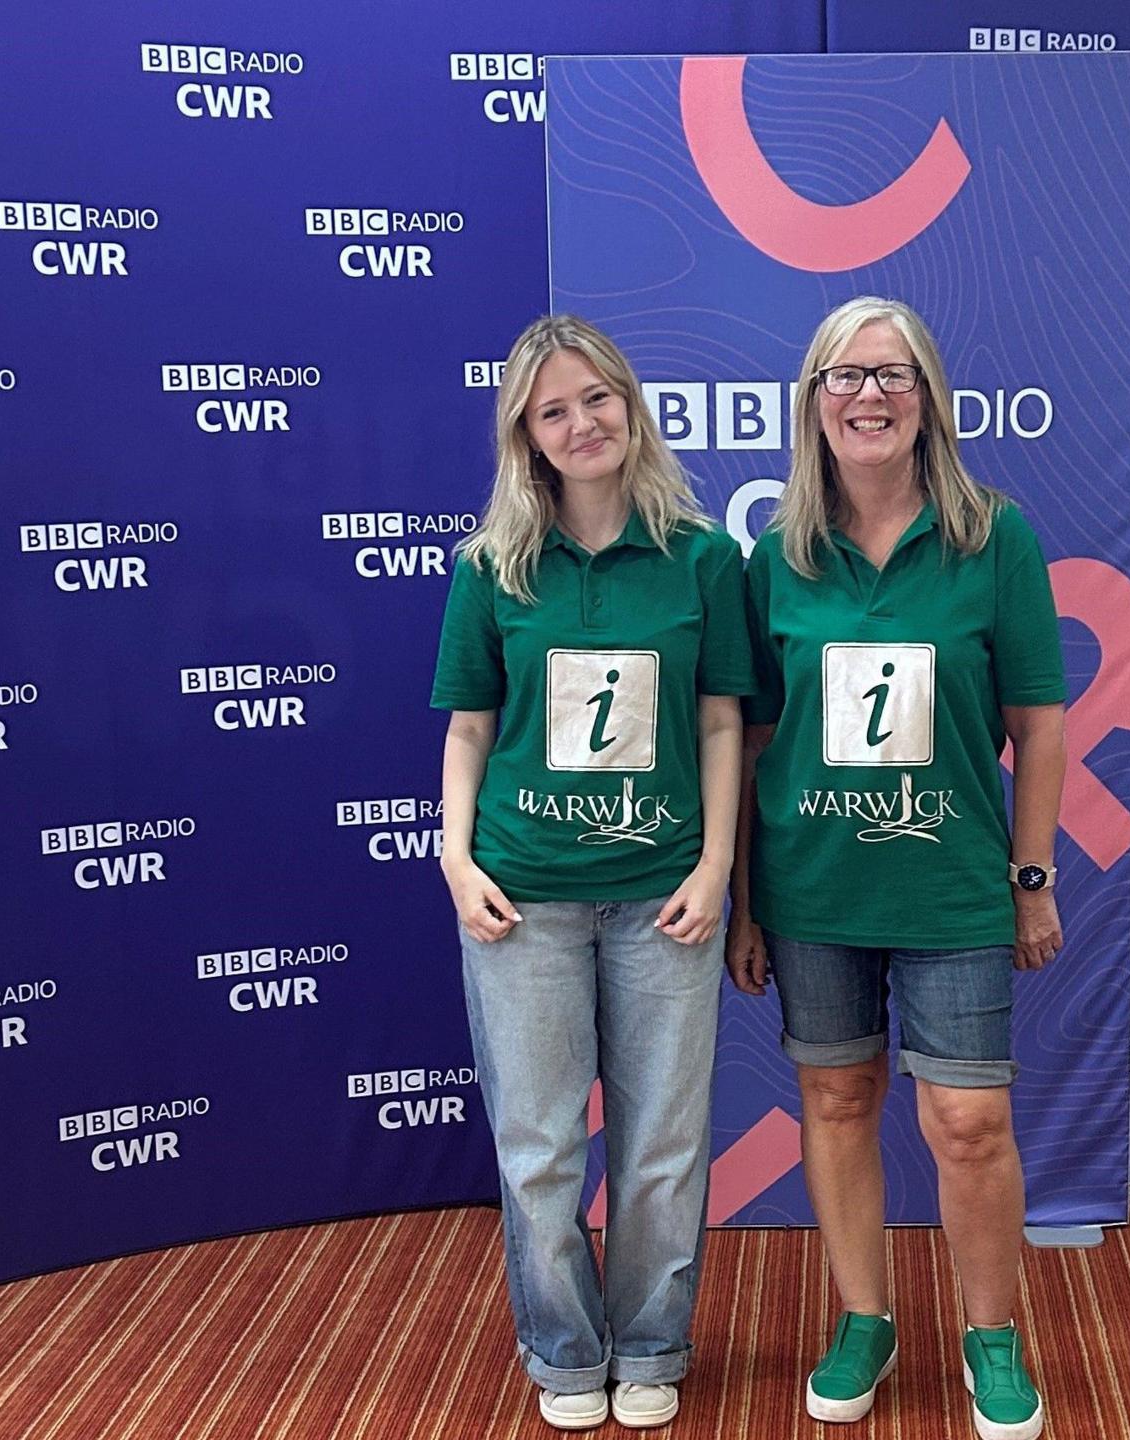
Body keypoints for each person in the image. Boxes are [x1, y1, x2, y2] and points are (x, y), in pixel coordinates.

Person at [728, 297, 1067, 1440]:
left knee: (968, 1122)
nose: (867, 395)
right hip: (813, 890)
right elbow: (754, 740)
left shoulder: (992, 537)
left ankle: (990, 1337)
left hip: (951, 888)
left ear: (927, 400)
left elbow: (1042, 719)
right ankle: (864, 1318)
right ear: (812, 403)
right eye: (842, 375)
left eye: (893, 374)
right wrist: (744, 904)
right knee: (836, 1098)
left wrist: (1032, 877)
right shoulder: (776, 556)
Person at [432, 315, 751, 1431]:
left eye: (597, 399)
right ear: (525, 433)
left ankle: (652, 1342)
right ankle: (566, 1351)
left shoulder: (704, 558)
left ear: (630, 406)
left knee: (663, 1146)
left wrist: (716, 864)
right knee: (539, 1148)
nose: (582, 424)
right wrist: (453, 854)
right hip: (523, 898)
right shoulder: (491, 568)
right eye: (553, 410)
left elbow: (721, 724)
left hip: (665, 897)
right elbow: (471, 729)